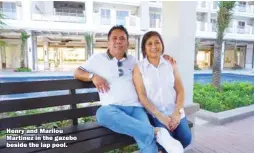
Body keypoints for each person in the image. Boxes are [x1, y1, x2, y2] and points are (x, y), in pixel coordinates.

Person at [74, 25, 183, 153]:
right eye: (114, 38)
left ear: (127, 43)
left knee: (149, 146)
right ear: (108, 42)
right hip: (113, 109)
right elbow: (77, 72)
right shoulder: (97, 59)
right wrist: (92, 76)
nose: (118, 41)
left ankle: (154, 134)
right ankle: (156, 132)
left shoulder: (134, 61)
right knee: (102, 114)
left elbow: (152, 61)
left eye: (122, 38)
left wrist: (165, 57)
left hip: (136, 109)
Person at [133, 31, 192, 153]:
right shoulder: (139, 68)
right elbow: (142, 96)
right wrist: (161, 117)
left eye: (157, 42)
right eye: (149, 44)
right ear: (144, 48)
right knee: (167, 140)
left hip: (175, 110)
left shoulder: (171, 64)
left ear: (162, 45)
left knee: (186, 138)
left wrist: (177, 113)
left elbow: (180, 90)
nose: (154, 46)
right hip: (156, 113)